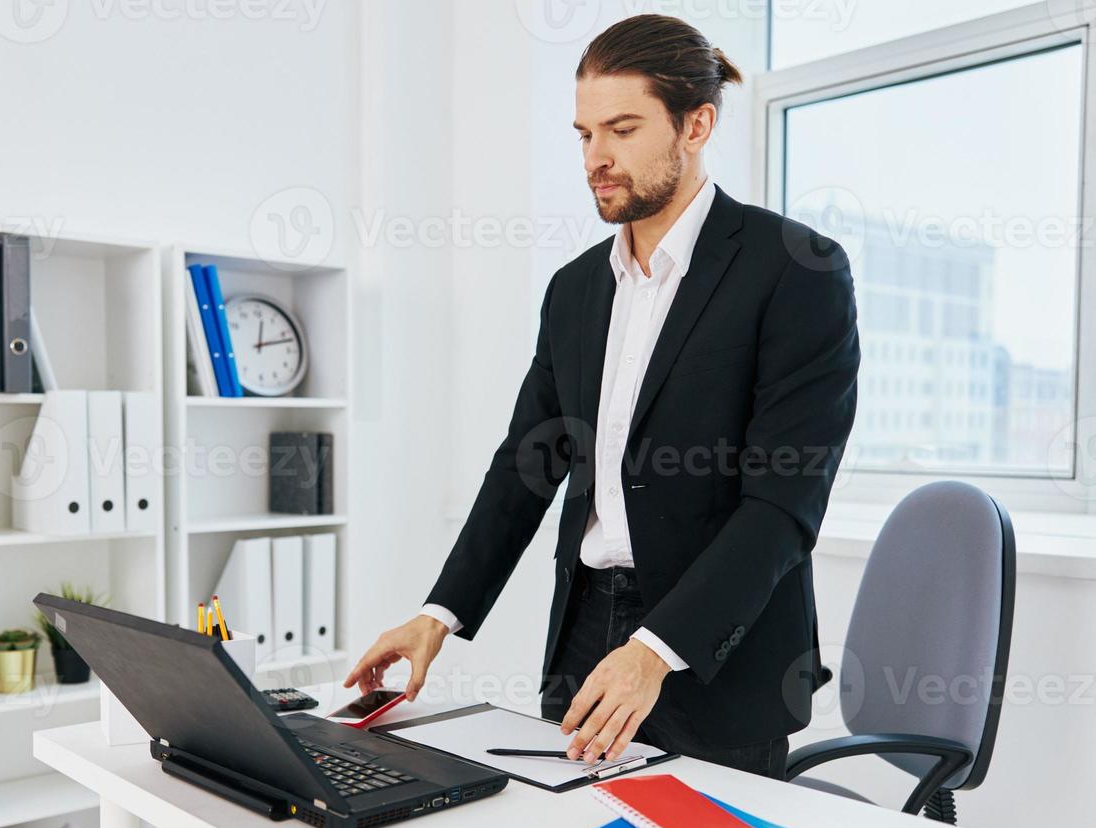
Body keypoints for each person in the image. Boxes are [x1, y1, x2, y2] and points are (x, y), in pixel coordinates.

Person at [343, 14, 859, 780]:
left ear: (697, 124)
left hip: (716, 648)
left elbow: (782, 508)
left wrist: (656, 651)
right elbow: (526, 464)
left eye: (621, 129)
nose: (596, 158)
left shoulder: (796, 271)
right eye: (584, 134)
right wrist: (438, 615)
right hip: (585, 631)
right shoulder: (576, 289)